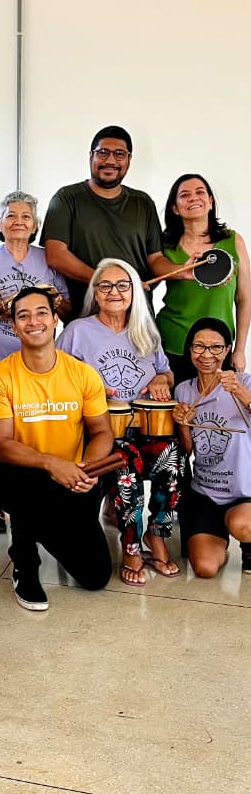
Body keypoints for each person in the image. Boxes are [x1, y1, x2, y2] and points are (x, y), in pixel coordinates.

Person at [0, 287, 114, 611]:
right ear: (14, 325)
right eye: (23, 316)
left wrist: (86, 469)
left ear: (55, 319)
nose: (33, 321)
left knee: (95, 576)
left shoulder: (83, 374)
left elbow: (102, 432)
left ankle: (45, 525)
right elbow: (1, 444)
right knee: (25, 484)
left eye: (41, 313)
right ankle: (25, 563)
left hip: (70, 476)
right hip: (17, 475)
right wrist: (52, 464)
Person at [58, 258, 181, 587]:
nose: (114, 291)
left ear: (134, 292)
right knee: (125, 465)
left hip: (144, 430)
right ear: (95, 293)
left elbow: (166, 372)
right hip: (101, 434)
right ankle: (131, 548)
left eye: (123, 285)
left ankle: (157, 535)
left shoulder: (145, 331)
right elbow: (54, 380)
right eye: (106, 285)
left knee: (173, 458)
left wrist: (161, 378)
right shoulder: (77, 332)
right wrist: (90, 390)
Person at [0, 191, 71, 534]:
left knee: (34, 431)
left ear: (35, 224)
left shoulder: (49, 259)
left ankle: (35, 498)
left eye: (26, 216)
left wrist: (53, 301)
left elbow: (67, 309)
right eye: (10, 215)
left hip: (38, 365)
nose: (18, 221)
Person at [41, 126, 167, 315]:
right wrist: (107, 282)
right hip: (87, 315)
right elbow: (55, 255)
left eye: (119, 154)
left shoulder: (143, 202)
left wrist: (183, 270)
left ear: (129, 159)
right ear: (91, 156)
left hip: (138, 316)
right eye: (103, 153)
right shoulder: (67, 198)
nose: (110, 160)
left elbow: (155, 259)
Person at [174, 318, 251, 579]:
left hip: (245, 492)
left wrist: (241, 393)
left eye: (216, 347)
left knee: (242, 524)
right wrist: (183, 425)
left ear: (227, 350)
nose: (206, 354)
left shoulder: (245, 382)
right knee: (204, 568)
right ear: (190, 349)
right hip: (205, 493)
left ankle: (248, 543)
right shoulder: (183, 390)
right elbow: (186, 451)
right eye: (199, 346)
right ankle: (221, 538)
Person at [157, 174, 250, 383]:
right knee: (177, 403)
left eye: (200, 192)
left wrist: (240, 349)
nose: (193, 198)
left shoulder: (233, 240)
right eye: (184, 195)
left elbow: (244, 299)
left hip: (218, 346)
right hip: (173, 342)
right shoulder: (164, 245)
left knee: (216, 403)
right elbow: (144, 288)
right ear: (175, 208)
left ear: (210, 201)